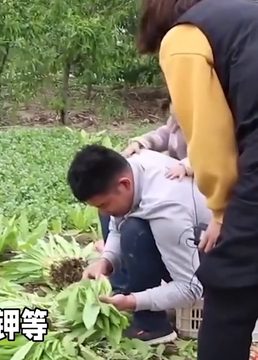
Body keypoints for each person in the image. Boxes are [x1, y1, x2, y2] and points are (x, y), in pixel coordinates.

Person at [137, 0, 258, 358]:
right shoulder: (243, 17)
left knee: (228, 287)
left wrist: (220, 213)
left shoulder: (185, 36)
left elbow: (210, 138)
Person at [67, 144, 207, 345]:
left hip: (215, 260)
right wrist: (106, 261)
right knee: (115, 215)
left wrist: (134, 302)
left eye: (104, 203)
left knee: (135, 231)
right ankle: (125, 289)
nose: (104, 211)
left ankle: (152, 325)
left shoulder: (166, 209)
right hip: (182, 241)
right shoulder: (132, 168)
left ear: (124, 185)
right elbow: (116, 224)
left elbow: (191, 288)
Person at [94, 102, 193, 294]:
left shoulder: (206, 125)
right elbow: (162, 135)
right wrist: (141, 143)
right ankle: (119, 281)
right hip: (173, 179)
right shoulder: (176, 123)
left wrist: (186, 166)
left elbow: (212, 156)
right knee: (110, 212)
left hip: (192, 189)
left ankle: (142, 297)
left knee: (136, 228)